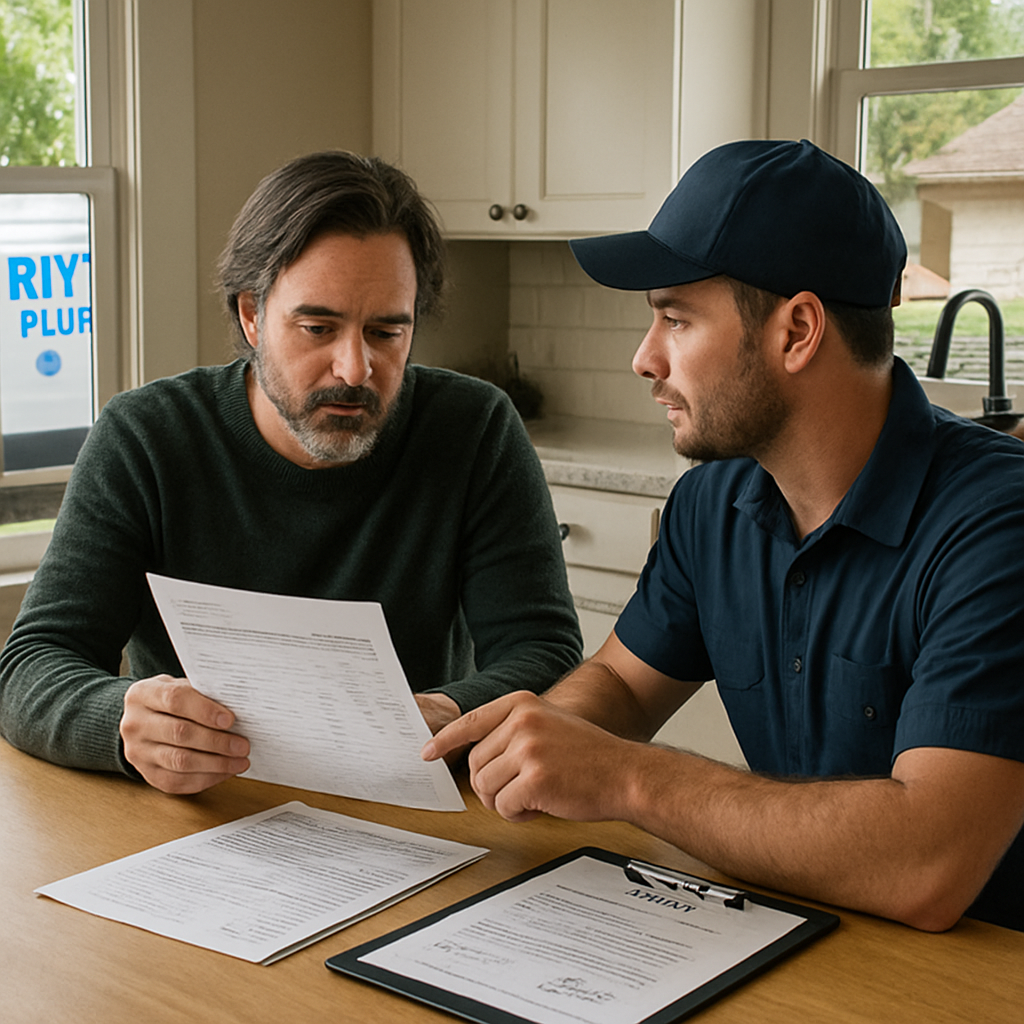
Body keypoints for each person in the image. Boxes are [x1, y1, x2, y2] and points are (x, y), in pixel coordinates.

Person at [424, 139, 1024, 933]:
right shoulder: (714, 501)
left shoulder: (997, 526)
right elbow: (619, 687)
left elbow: (927, 865)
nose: (645, 359)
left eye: (676, 318)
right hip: (792, 936)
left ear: (797, 330)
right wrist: (526, 739)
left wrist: (629, 780)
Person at [0, 150, 581, 795]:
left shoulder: (474, 430)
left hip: (416, 805)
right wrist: (122, 723)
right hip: (202, 813)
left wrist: (455, 707)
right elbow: (30, 667)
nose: (355, 368)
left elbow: (547, 655)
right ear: (251, 315)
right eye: (317, 327)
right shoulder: (145, 438)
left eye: (387, 333)